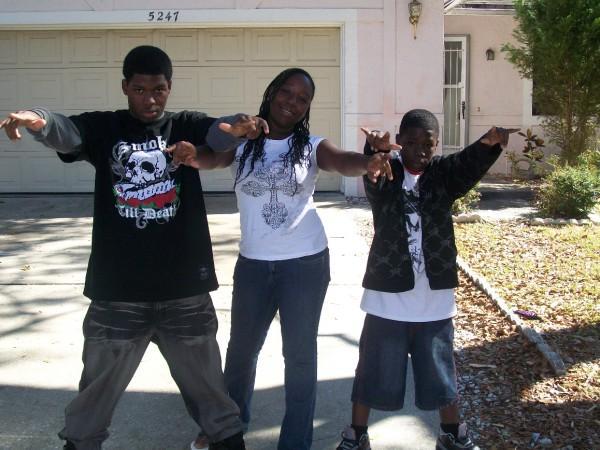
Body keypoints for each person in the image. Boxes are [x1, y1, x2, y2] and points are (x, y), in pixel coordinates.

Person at [0, 45, 266, 450]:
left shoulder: (185, 125)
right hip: (118, 293)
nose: (150, 99)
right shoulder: (105, 127)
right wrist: (38, 120)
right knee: (91, 404)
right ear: (125, 87)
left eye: (158, 89)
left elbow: (218, 133)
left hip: (184, 291)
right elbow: (66, 132)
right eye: (140, 90)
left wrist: (240, 126)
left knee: (214, 399)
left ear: (169, 87)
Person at [174, 67, 394, 450]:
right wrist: (192, 157)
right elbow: (210, 157)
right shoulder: (243, 141)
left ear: (308, 107)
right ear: (272, 91)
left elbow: (342, 161)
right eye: (286, 92)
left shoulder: (311, 146)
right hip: (253, 265)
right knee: (241, 353)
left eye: (302, 99)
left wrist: (369, 160)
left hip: (304, 264)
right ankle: (226, 428)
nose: (292, 102)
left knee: (300, 357)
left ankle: (295, 442)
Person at [335, 109, 518, 450]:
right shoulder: (388, 171)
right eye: (412, 142)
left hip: (434, 299)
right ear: (399, 141)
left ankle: (452, 433)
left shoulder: (443, 175)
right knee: (373, 369)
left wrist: (489, 142)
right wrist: (374, 152)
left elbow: (467, 163)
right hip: (387, 298)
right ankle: (356, 434)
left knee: (440, 370)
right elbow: (373, 179)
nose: (420, 150)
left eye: (428, 144)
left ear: (436, 145)